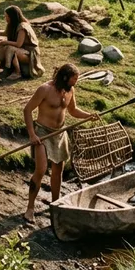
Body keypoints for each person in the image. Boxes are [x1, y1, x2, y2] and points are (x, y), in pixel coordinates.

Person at [23, 64, 93, 224]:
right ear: (65, 77)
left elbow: (73, 110)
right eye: (74, 79)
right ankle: (30, 207)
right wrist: (32, 134)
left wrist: (88, 116)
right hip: (42, 133)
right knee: (40, 170)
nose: (76, 82)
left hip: (59, 134)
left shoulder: (70, 90)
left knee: (58, 170)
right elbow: (27, 110)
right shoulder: (45, 89)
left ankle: (55, 204)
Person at [0, 5, 44, 80]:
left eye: (7, 16)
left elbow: (18, 44)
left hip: (30, 53)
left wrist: (5, 42)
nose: (5, 18)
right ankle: (6, 69)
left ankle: (17, 72)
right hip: (22, 51)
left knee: (10, 48)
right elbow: (5, 33)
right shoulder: (12, 25)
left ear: (12, 17)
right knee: (3, 47)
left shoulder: (22, 27)